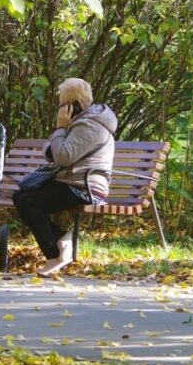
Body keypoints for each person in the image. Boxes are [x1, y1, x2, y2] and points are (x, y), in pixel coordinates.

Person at [13, 78, 116, 277]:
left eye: (62, 104)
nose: (60, 109)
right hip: (72, 180)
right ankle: (61, 238)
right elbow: (52, 152)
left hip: (84, 185)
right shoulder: (83, 122)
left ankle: (55, 256)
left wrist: (60, 128)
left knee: (29, 202)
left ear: (74, 106)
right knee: (22, 197)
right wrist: (58, 139)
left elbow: (61, 155)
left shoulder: (90, 126)